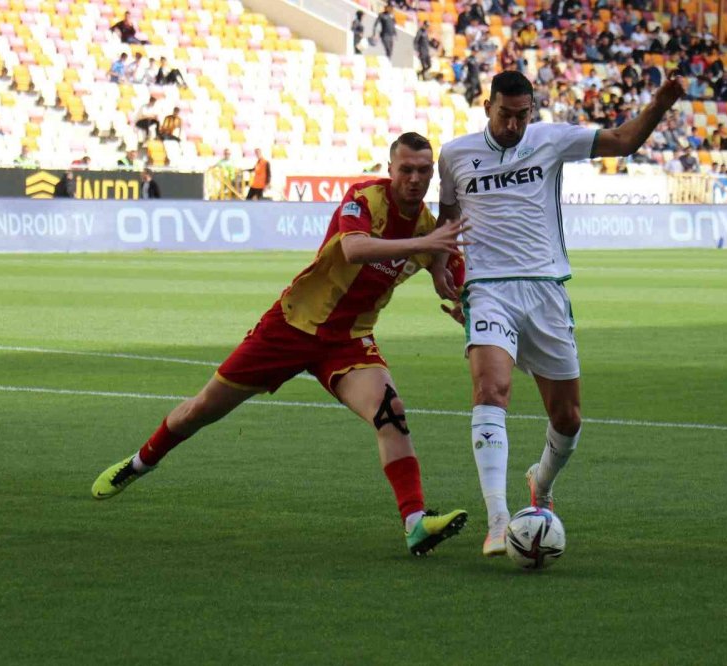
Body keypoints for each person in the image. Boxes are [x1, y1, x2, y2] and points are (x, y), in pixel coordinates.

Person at [90, 133, 470, 557]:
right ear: (390, 170)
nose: (415, 179)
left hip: (348, 340)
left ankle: (415, 523)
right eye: (406, 169)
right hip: (290, 327)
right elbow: (353, 247)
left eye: (424, 171)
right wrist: (425, 247)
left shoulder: (429, 232)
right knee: (202, 410)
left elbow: (460, 283)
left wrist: (464, 307)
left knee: (391, 413)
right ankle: (140, 462)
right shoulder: (366, 199)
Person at [433, 70, 686, 557]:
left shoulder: (551, 140)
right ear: (487, 107)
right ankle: (498, 519)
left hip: (547, 291)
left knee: (567, 418)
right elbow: (448, 218)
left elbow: (625, 141)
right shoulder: (455, 154)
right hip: (488, 290)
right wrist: (440, 269)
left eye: (522, 115)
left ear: (533, 110)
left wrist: (661, 102)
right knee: (491, 389)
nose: (513, 125)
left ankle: (541, 482)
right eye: (505, 115)